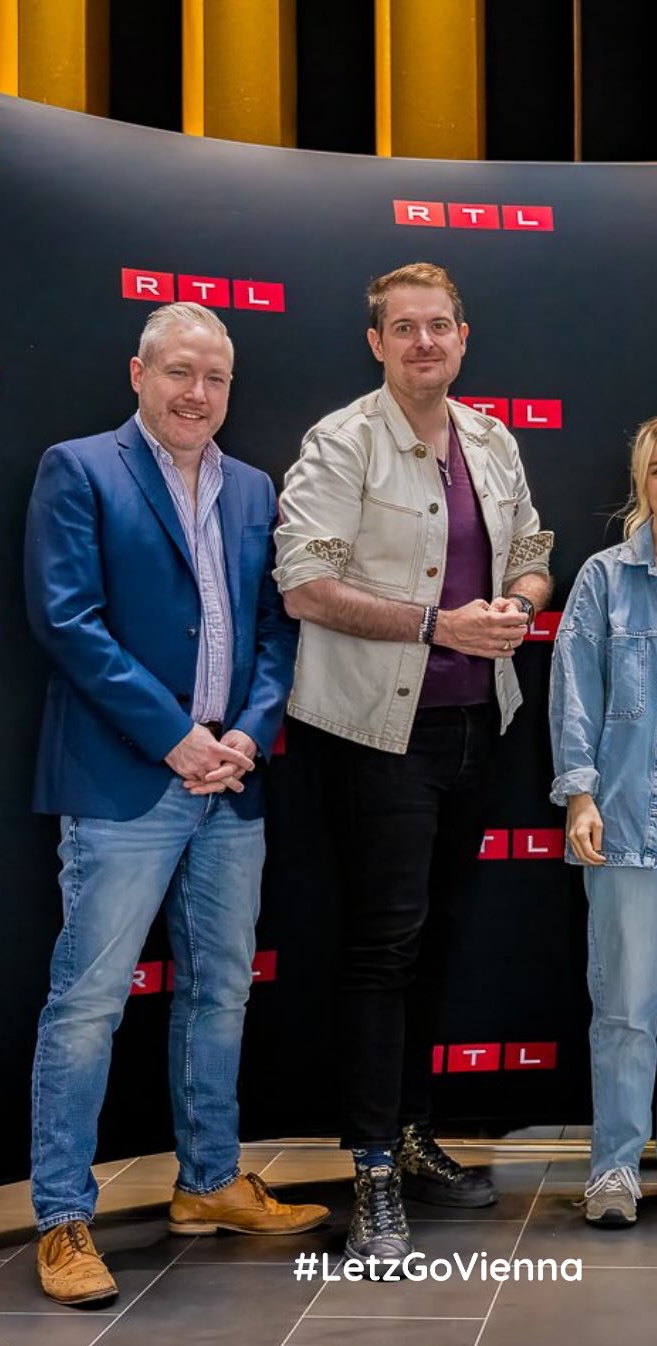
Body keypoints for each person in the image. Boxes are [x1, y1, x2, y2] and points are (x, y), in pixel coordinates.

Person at [24, 302, 327, 1307]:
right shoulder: (80, 469)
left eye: (216, 378)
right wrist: (175, 735)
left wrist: (248, 731)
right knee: (88, 1003)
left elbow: (277, 629)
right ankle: (62, 1216)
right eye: (180, 372)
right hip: (127, 781)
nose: (198, 393)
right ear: (139, 373)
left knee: (220, 990)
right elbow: (67, 620)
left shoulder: (255, 487)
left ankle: (209, 1182)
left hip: (231, 783)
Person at [273, 262, 553, 1264]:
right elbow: (304, 583)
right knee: (382, 949)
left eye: (440, 326)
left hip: (477, 726)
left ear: (463, 338)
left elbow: (532, 546)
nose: (424, 342)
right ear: (377, 343)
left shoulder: (491, 438)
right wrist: (439, 624)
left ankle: (409, 1130)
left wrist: (517, 600)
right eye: (405, 328)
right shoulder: (341, 441)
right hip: (376, 735)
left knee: (435, 942)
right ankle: (371, 1170)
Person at [549, 415, 657, 1227]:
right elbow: (575, 692)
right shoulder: (605, 579)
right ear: (642, 483)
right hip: (626, 828)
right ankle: (616, 1168)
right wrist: (580, 795)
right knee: (624, 1010)